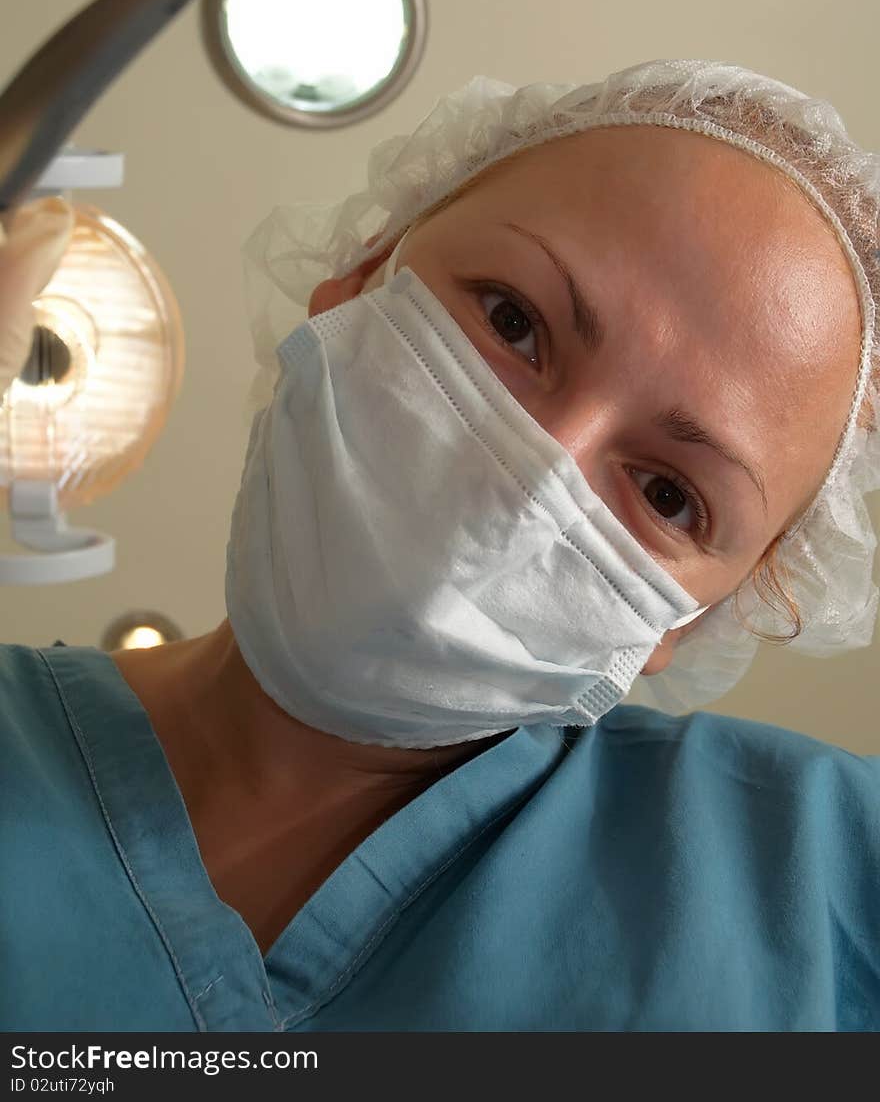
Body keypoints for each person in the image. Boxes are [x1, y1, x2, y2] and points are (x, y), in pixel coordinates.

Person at [1, 58, 878, 1033]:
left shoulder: (828, 876)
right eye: (513, 321)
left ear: (699, 617)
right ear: (357, 278)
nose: (536, 478)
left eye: (669, 496)